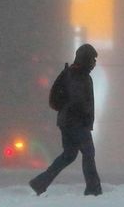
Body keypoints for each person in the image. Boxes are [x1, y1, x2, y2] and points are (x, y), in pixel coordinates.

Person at [29, 43, 102, 196]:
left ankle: (40, 182)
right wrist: (84, 119)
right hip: (76, 123)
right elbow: (78, 101)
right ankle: (93, 189)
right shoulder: (78, 76)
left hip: (68, 122)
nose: (94, 63)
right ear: (86, 59)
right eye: (93, 60)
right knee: (88, 153)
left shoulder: (73, 74)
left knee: (69, 155)